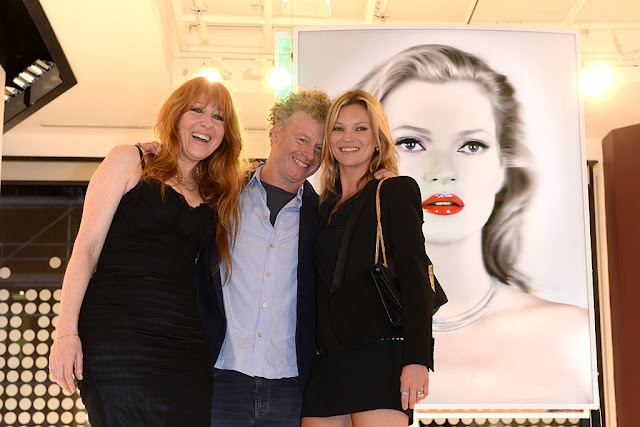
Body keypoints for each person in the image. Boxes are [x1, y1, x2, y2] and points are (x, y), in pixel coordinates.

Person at [357, 44, 592, 404]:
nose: (442, 172)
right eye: (411, 142)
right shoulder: (349, 333)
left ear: (502, 167)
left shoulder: (568, 336)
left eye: (471, 146)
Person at [48, 77, 246, 425]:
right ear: (176, 116)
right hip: (117, 336)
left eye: (218, 118)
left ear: (225, 134)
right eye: (197, 110)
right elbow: (86, 249)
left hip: (185, 344)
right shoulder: (130, 160)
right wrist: (65, 333)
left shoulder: (217, 194)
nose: (207, 123)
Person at [195, 88, 330, 426]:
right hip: (220, 378)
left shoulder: (324, 216)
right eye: (302, 139)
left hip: (291, 387)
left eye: (319, 147)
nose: (309, 154)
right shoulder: (222, 195)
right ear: (275, 132)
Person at [301, 89, 434, 427]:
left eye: (360, 128)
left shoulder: (393, 191)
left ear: (377, 139)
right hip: (326, 362)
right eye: (338, 128)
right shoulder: (322, 206)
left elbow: (416, 277)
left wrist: (418, 359)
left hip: (379, 356)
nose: (348, 138)